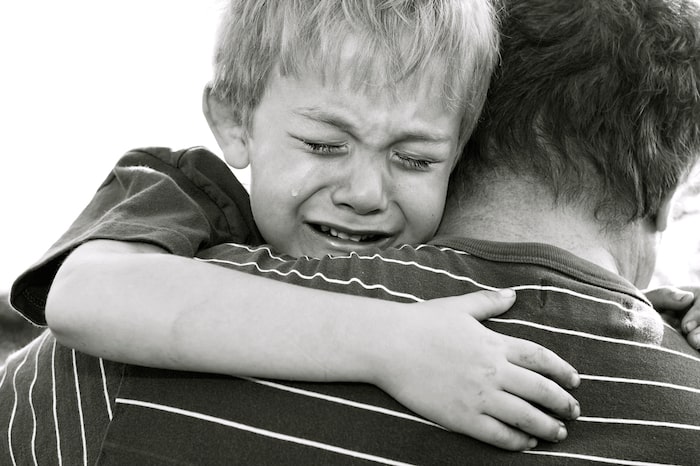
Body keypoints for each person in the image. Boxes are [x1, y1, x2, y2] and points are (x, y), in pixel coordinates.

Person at [4, 0, 700, 463]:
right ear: (234, 121)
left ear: (463, 162)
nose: (367, 193)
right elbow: (85, 298)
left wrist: (672, 309)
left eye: (415, 159)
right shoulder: (187, 197)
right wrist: (387, 343)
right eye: (326, 145)